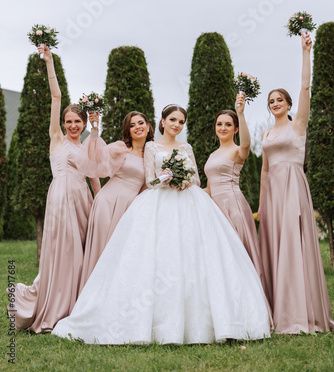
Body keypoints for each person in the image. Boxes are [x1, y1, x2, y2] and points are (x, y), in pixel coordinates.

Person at [52, 104, 270, 344]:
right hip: (158, 200)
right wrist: (166, 178)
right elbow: (150, 180)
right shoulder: (151, 148)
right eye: (172, 120)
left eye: (181, 121)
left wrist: (183, 179)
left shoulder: (186, 147)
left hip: (188, 200)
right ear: (163, 122)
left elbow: (196, 178)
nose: (177, 124)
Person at [10, 45, 100, 333]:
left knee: (81, 253)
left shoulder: (87, 145)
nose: (73, 125)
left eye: (78, 121)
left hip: (83, 201)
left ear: (84, 123)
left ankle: (76, 307)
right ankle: (53, 306)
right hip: (61, 198)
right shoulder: (56, 139)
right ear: (62, 123)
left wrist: (100, 203)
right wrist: (49, 62)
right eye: (68, 121)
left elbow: (95, 176)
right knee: (63, 251)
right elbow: (56, 96)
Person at [258, 32, 333, 334]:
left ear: (289, 104)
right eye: (271, 101)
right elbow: (263, 171)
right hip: (272, 193)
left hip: (292, 186)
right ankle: (278, 308)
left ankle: (299, 314)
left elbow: (305, 87)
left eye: (280, 100)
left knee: (292, 242)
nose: (275, 103)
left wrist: (305, 53)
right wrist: (262, 204)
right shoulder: (267, 135)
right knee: (275, 243)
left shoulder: (297, 125)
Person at [78, 111, 154, 290]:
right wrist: (95, 129)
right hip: (108, 202)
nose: (137, 127)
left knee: (119, 252)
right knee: (102, 249)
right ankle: (90, 294)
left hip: (130, 208)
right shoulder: (121, 148)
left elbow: (148, 186)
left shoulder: (152, 154)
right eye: (132, 125)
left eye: (141, 123)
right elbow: (95, 158)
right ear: (128, 130)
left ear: (148, 126)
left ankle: (111, 295)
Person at [204, 93, 266, 291]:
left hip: (233, 206)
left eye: (228, 125)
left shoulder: (238, 150)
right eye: (219, 124)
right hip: (215, 209)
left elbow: (247, 144)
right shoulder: (213, 154)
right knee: (221, 258)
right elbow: (209, 187)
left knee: (238, 254)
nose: (223, 128)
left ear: (236, 128)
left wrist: (240, 113)